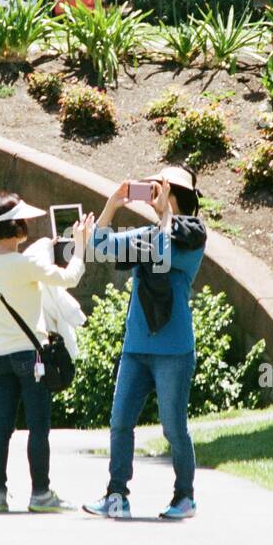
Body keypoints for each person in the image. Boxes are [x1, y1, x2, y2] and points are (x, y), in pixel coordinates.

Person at [82, 168, 207, 520]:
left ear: (174, 194)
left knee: (172, 426)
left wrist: (164, 216)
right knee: (120, 420)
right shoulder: (151, 234)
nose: (151, 194)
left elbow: (165, 252)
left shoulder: (193, 236)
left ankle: (185, 496)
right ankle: (116, 494)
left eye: (159, 189)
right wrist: (112, 205)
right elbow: (98, 247)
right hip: (136, 346)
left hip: (173, 349)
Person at [0, 192, 94, 513]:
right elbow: (70, 277)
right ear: (16, 228)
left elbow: (24, 267)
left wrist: (46, 245)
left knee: (2, 425)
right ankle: (40, 493)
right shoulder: (25, 264)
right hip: (31, 358)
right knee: (38, 425)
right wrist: (80, 243)